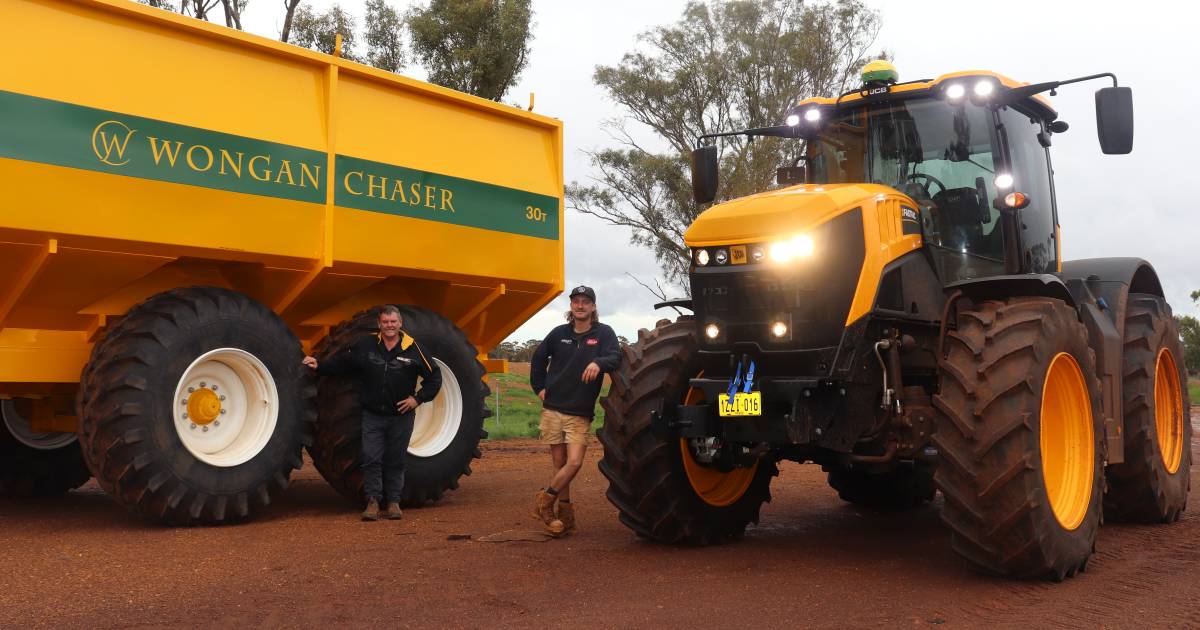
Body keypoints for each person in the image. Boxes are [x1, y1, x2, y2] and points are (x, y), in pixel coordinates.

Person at [302, 305, 441, 521]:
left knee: (395, 460)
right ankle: (373, 502)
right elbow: (343, 364)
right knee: (371, 459)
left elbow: (435, 378)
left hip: (400, 417)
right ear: (379, 324)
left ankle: (394, 502)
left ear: (400, 323)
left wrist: (417, 399)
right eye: (385, 322)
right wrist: (319, 365)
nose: (389, 326)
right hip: (373, 415)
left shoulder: (414, 348)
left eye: (393, 322)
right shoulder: (366, 345)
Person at [529, 285, 621, 536]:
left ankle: (544, 502)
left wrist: (597, 362)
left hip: (579, 412)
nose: (580, 305)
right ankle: (564, 517)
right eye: (576, 301)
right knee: (559, 464)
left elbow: (616, 357)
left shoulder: (604, 334)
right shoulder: (558, 334)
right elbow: (538, 359)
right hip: (553, 408)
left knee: (575, 462)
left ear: (593, 307)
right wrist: (539, 388)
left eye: (585, 302)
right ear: (571, 306)